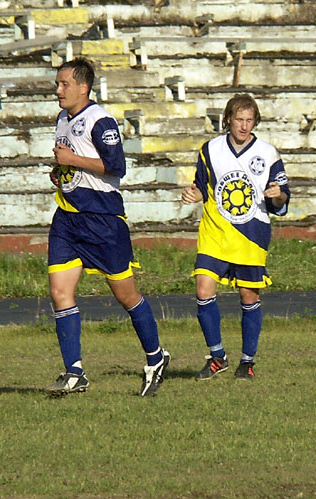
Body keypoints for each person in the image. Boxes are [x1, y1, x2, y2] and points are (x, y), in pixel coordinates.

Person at [44, 59, 169, 397]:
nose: (57, 90)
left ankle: (156, 357)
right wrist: (61, 173)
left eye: (63, 84)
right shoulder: (62, 119)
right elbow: (74, 162)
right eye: (57, 84)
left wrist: (72, 162)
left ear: (83, 87)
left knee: (125, 295)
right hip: (67, 219)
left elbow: (116, 167)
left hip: (102, 221)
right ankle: (74, 373)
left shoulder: (101, 121)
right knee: (60, 293)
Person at [181, 94, 289, 380]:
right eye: (239, 119)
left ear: (255, 122)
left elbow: (283, 202)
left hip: (251, 234)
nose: (243, 126)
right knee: (203, 290)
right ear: (228, 119)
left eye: (249, 120)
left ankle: (247, 361)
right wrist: (194, 193)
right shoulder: (210, 149)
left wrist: (278, 196)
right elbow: (203, 187)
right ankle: (217, 357)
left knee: (248, 295)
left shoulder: (268, 153)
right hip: (215, 231)